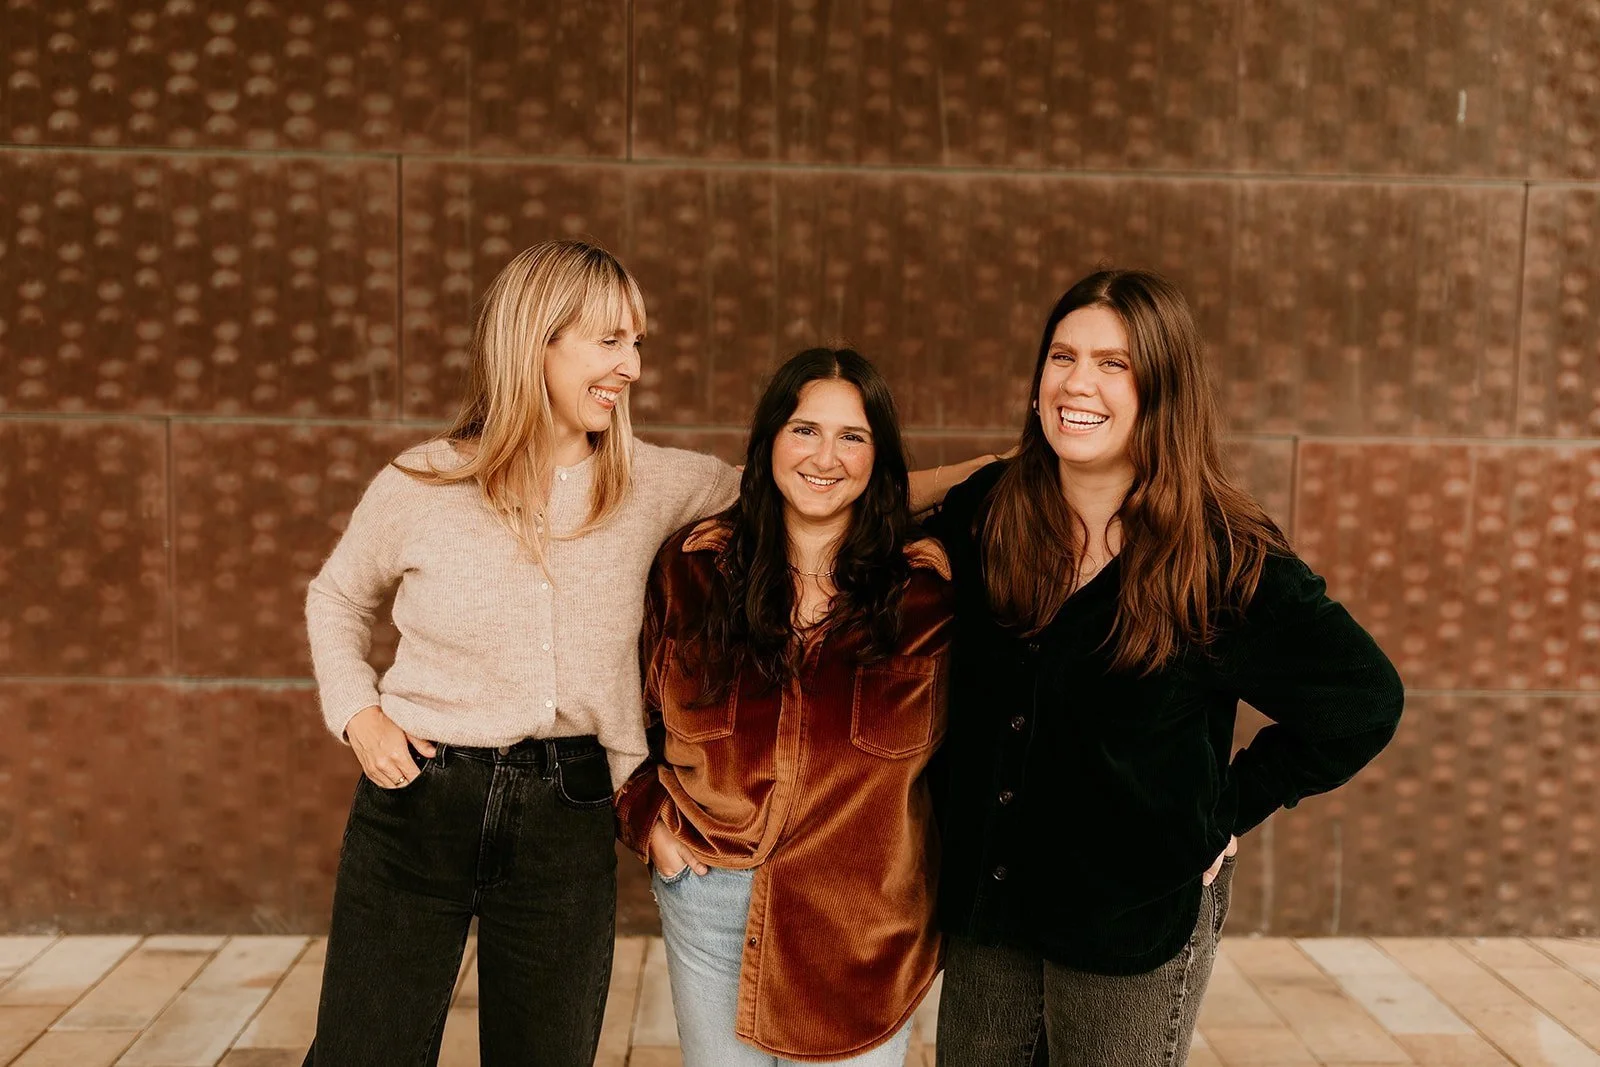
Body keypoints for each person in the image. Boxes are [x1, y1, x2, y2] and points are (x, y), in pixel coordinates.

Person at [301, 241, 992, 1066]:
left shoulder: (658, 483)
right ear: (538, 340)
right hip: (421, 793)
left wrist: (1002, 473)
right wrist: (359, 712)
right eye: (610, 341)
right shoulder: (424, 481)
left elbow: (817, 479)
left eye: (638, 344)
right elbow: (336, 597)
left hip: (569, 804)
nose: (630, 366)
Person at [927, 270, 1405, 1067]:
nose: (1078, 382)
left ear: (1165, 389)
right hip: (992, 910)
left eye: (1115, 364)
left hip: (1130, 918)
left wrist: (1226, 808)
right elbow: (854, 509)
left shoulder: (1222, 556)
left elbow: (1364, 699)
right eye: (1062, 356)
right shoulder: (989, 511)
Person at [614, 348, 952, 1065]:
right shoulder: (691, 569)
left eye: (852, 436)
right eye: (805, 429)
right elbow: (626, 714)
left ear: (879, 457)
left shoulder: (927, 594)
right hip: (711, 901)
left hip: (863, 922)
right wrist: (650, 822)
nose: (825, 455)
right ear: (769, 439)